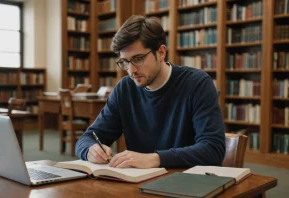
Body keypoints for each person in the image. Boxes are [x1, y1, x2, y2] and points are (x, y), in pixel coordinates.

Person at [75, 15, 225, 168]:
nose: (131, 70)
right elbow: (88, 138)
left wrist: (154, 159)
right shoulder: (124, 89)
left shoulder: (197, 83)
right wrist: (90, 150)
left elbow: (213, 149)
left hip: (186, 184)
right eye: (125, 62)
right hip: (138, 184)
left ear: (161, 52)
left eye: (138, 58)